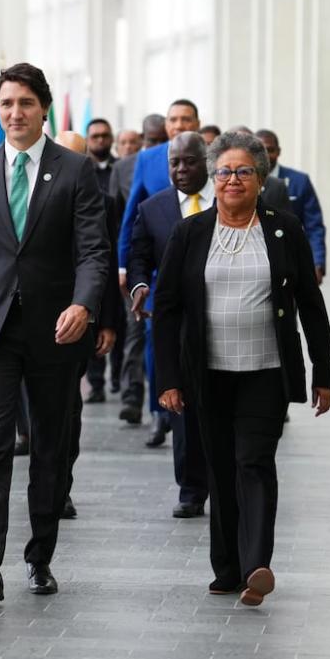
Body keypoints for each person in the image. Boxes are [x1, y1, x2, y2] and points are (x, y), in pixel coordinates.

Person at [152, 131, 330, 607]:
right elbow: (167, 308)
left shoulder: (283, 228)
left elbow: (310, 305)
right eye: (224, 172)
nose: (233, 180)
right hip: (206, 373)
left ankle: (257, 564)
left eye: (244, 171)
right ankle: (227, 568)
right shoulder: (189, 233)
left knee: (253, 462)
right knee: (219, 468)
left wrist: (324, 373)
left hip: (264, 371)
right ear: (213, 179)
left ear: (261, 178)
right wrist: (168, 379)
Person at [0, 63, 107, 601]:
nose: (15, 113)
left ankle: (40, 557)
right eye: (7, 104)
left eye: (25, 104)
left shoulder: (75, 170)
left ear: (43, 110)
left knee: (49, 447)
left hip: (55, 334)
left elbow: (92, 251)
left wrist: (83, 305)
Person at [125, 131, 210, 518]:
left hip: (226, 319)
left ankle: (227, 480)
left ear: (206, 160)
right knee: (183, 407)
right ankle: (191, 489)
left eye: (189, 162)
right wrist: (141, 285)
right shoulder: (153, 208)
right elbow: (140, 256)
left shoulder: (228, 202)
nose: (180, 170)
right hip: (175, 324)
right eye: (174, 163)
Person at [118, 99, 202, 442]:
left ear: (197, 122)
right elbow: (134, 213)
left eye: (186, 119)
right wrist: (127, 268)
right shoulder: (148, 158)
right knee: (157, 342)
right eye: (173, 120)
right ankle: (158, 412)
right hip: (160, 271)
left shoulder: (208, 154)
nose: (179, 125)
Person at [54, 129, 119, 520]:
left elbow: (105, 263)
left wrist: (106, 320)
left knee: (67, 409)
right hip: (24, 318)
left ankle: (61, 485)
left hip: (77, 320)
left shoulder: (104, 202)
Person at [81, 119, 123, 403]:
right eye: (94, 136)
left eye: (104, 136)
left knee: (104, 329)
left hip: (100, 271)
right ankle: (95, 384)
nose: (99, 140)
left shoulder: (118, 172)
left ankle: (117, 378)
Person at [255, 129, 327, 284]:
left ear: (278, 151)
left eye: (270, 150)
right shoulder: (244, 182)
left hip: (293, 264)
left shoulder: (299, 181)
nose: (266, 155)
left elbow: (314, 226)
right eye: (261, 151)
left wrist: (317, 263)